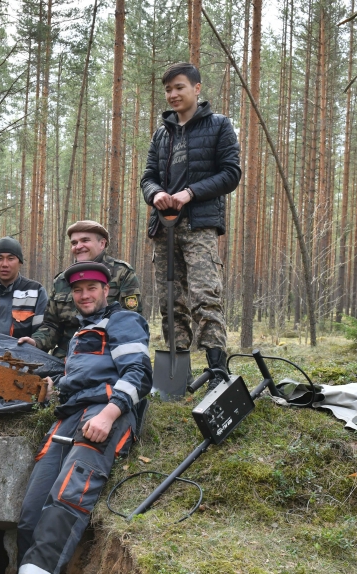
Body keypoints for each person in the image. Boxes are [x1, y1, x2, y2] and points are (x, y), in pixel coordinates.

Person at [0, 262, 152, 574]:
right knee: (33, 507)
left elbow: (139, 375)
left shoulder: (123, 321)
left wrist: (108, 416)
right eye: (78, 291)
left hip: (105, 413)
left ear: (105, 290)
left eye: (92, 289)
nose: (84, 295)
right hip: (69, 416)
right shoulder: (81, 331)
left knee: (70, 493)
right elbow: (79, 377)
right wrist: (55, 388)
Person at [140, 62, 241, 387]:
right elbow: (148, 176)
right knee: (170, 301)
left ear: (196, 88)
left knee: (204, 296)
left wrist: (189, 193)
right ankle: (176, 378)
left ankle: (217, 373)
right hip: (163, 228)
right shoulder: (161, 133)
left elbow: (230, 174)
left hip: (199, 226)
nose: (173, 94)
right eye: (168, 89)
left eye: (179, 87)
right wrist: (155, 194)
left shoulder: (219, 126)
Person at [20, 220, 141, 359]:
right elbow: (52, 325)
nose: (78, 246)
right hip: (64, 359)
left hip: (106, 356)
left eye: (85, 240)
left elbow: (132, 324)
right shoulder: (62, 279)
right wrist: (36, 342)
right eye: (74, 243)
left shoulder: (121, 273)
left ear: (102, 243)